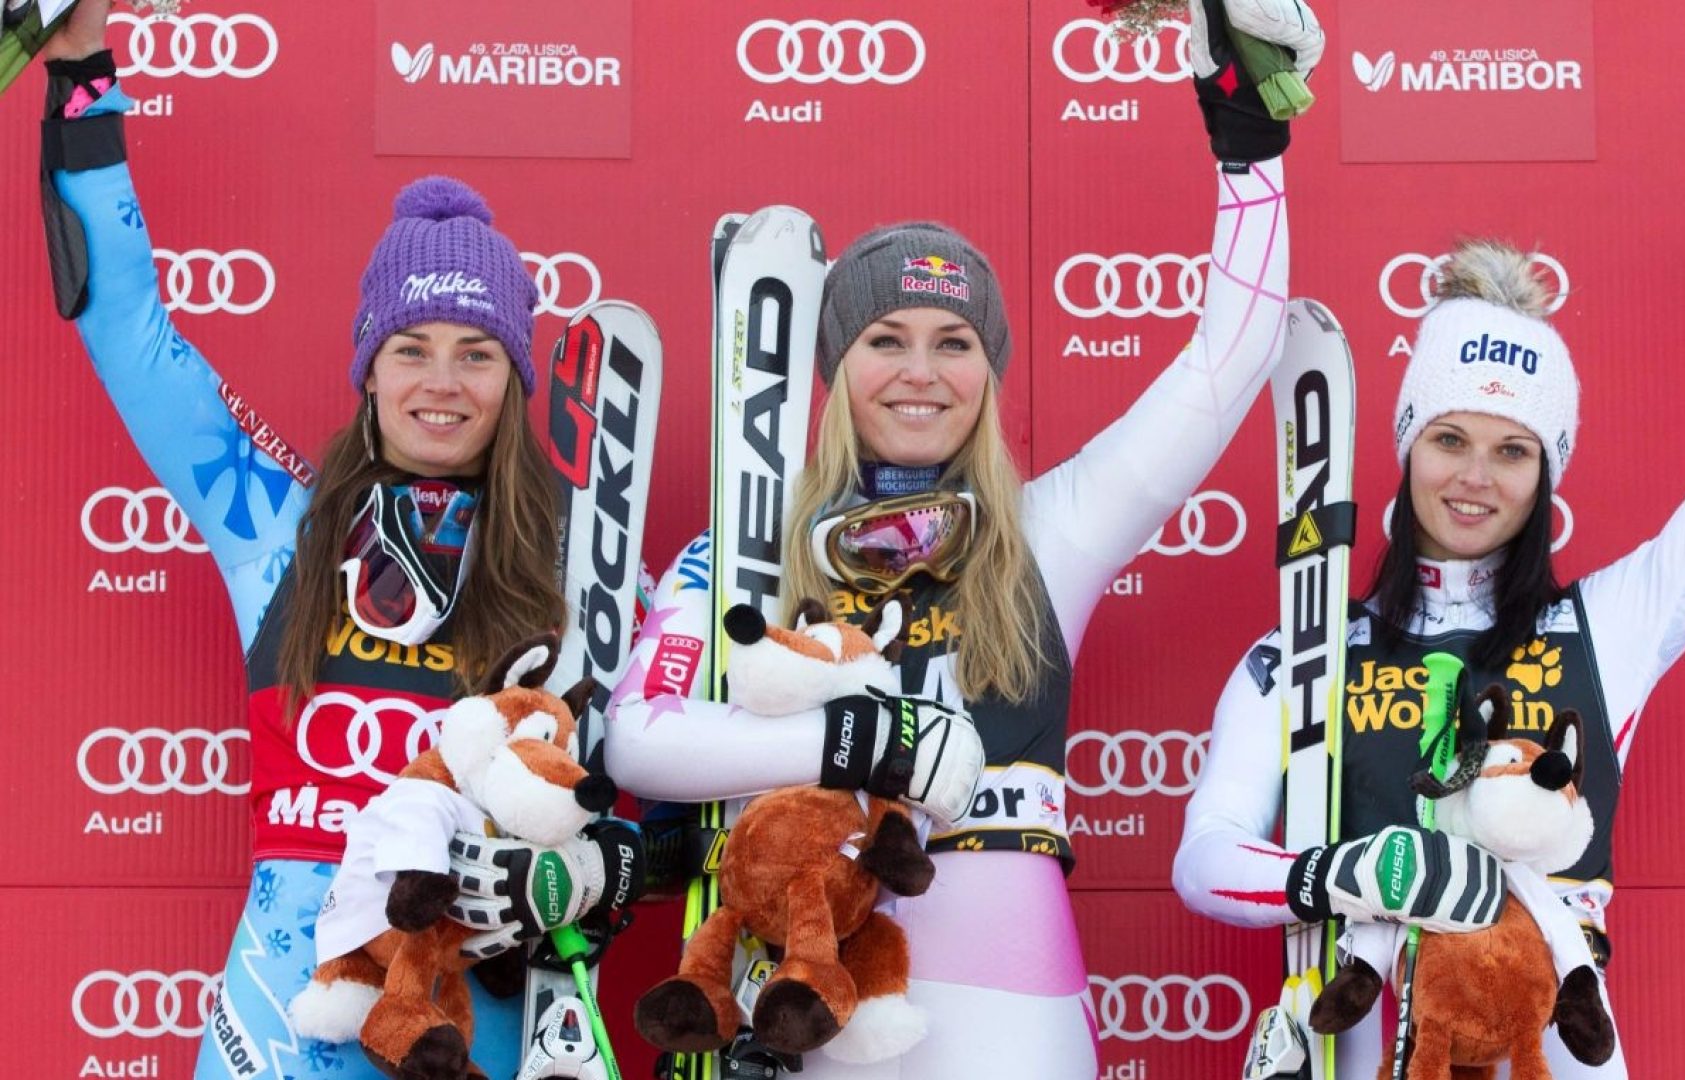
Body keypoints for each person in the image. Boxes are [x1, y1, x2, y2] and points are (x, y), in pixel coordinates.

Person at [439, 3, 1324, 1076]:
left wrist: (1248, 148)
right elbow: (639, 734)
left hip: (1012, 998)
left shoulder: (1052, 528)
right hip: (809, 997)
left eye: (955, 343)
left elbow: (1224, 365)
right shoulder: (753, 543)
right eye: (886, 338)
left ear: (988, 375)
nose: (921, 370)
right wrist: (859, 751)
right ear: (833, 368)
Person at [1170, 100, 1685, 1076]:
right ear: (1409, 443)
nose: (1476, 477)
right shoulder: (1302, 653)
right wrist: (1345, 872)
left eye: (1514, 452)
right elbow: (1204, 857)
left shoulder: (1609, 626)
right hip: (1381, 1042)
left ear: (1546, 475)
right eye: (1450, 439)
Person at [32, 2, 640, 1075]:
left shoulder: (577, 562)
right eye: (410, 348)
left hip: (475, 1010)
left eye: (477, 353)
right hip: (280, 1011)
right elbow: (129, 329)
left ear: (516, 379)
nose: (441, 384)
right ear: (369, 367)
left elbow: (640, 808)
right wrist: (82, 81)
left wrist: (611, 870)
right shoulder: (277, 525)